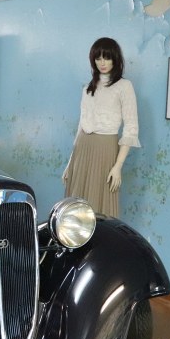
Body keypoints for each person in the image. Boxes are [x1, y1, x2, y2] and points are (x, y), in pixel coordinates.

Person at [62, 37, 140, 218]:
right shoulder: (87, 88)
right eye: (98, 58)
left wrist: (118, 166)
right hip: (82, 148)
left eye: (107, 58)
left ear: (115, 59)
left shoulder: (124, 86)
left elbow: (131, 127)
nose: (102, 63)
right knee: (76, 205)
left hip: (106, 149)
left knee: (100, 206)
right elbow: (81, 125)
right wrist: (70, 162)